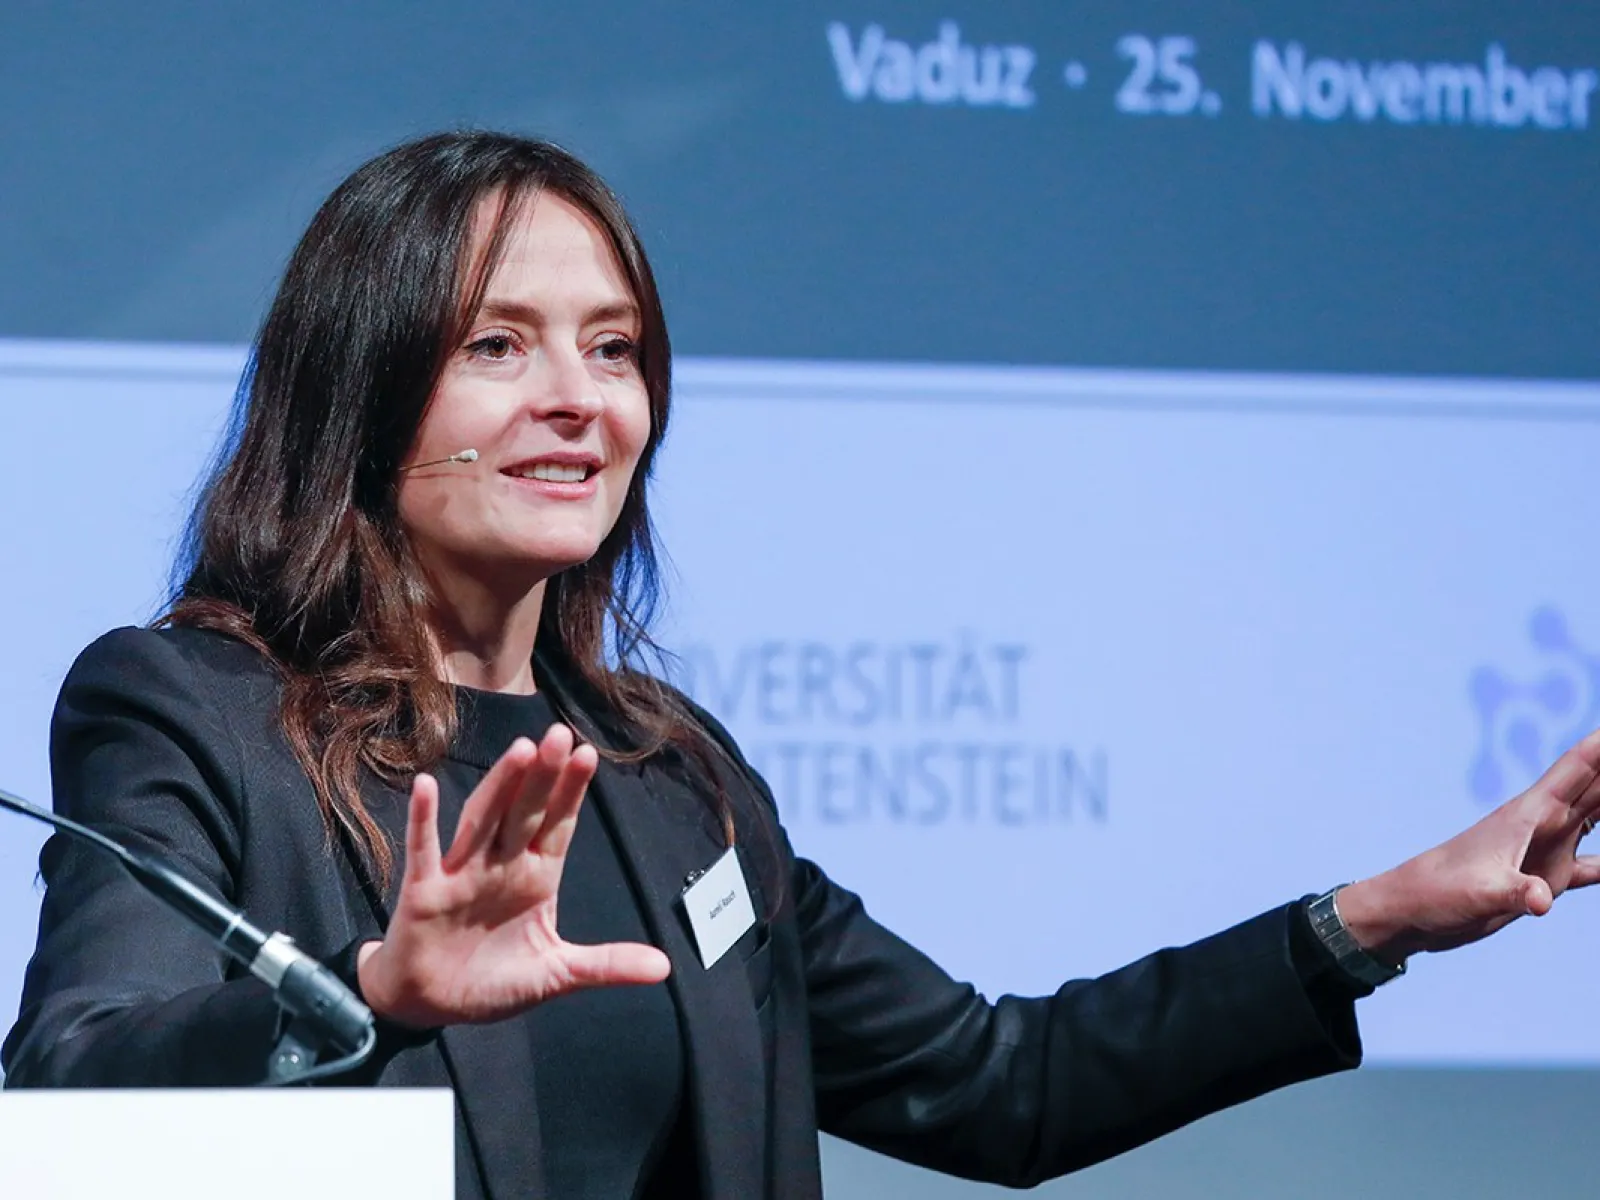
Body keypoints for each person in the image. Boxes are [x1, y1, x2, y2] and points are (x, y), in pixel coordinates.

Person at [3, 131, 1597, 1200]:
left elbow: (1003, 1083)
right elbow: (71, 1106)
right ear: (358, 389)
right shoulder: (195, 713)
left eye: (613, 346)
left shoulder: (672, 780)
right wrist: (367, 1000)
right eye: (499, 345)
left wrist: (1371, 921)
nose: (580, 397)